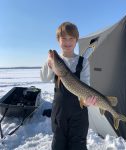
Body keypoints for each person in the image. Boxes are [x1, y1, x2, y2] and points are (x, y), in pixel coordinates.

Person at [40, 22, 97, 150]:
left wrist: (87, 101)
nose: (67, 41)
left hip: (78, 114)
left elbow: (86, 85)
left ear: (76, 40)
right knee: (58, 145)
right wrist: (49, 63)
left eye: (71, 38)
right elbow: (44, 78)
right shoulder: (55, 61)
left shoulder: (83, 62)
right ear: (58, 40)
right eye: (64, 38)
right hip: (59, 114)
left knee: (78, 145)